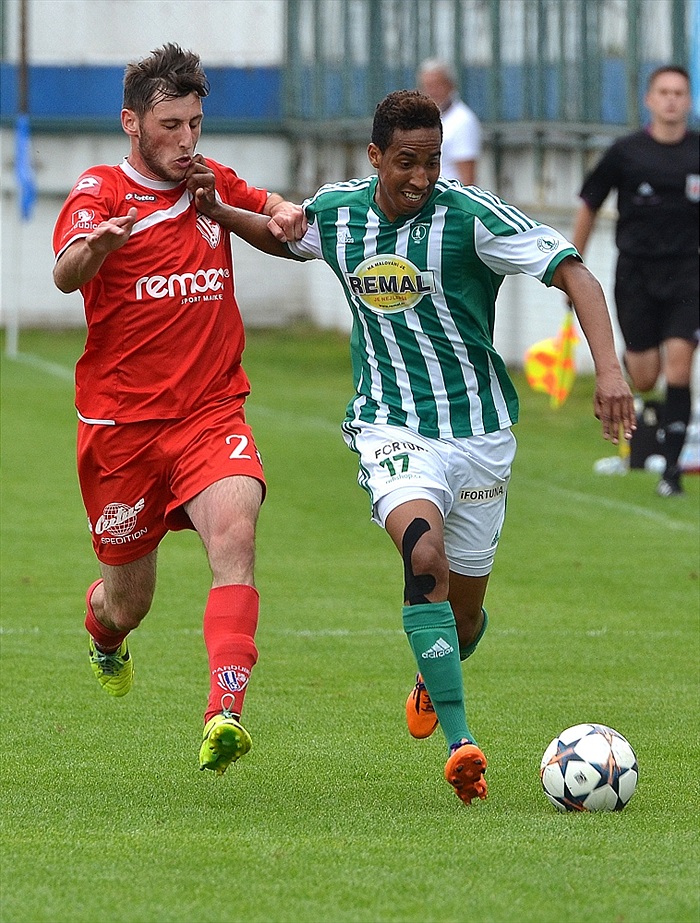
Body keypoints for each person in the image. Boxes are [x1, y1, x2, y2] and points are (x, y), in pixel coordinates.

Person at [190, 90, 635, 805]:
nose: (422, 177)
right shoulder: (339, 211)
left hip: (480, 433)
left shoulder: (470, 218)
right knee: (421, 554)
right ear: (375, 157)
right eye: (406, 162)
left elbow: (574, 270)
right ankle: (463, 744)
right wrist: (221, 214)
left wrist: (609, 372)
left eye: (431, 162)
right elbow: (287, 237)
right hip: (391, 426)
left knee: (461, 617)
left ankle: (433, 676)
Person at [51, 44, 305, 777]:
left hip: (209, 412)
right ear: (132, 122)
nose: (187, 140)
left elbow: (268, 207)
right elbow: (65, 272)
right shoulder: (99, 190)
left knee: (235, 533)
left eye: (196, 122)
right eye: (170, 125)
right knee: (129, 603)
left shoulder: (207, 181)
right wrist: (94, 248)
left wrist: (285, 210)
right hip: (121, 432)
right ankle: (105, 634)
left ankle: (223, 713)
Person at [571, 65, 699, 497]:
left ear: (689, 100)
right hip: (637, 275)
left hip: (687, 274)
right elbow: (589, 203)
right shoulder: (626, 152)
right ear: (649, 99)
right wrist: (572, 267)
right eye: (663, 91)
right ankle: (650, 411)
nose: (671, 100)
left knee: (681, 365)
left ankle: (673, 473)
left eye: (679, 92)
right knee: (645, 377)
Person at [417, 58, 481, 185]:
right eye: (427, 86)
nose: (431, 92)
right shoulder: (424, 118)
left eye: (437, 85)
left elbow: (468, 180)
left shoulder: (462, 121)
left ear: (451, 85)